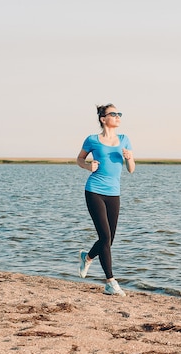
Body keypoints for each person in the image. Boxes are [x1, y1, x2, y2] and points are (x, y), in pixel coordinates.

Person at [76, 103, 135, 295]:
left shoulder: (125, 140)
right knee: (105, 237)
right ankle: (110, 282)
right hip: (94, 191)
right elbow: (79, 159)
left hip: (114, 193)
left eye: (119, 114)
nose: (118, 117)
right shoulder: (92, 140)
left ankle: (88, 257)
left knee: (109, 240)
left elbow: (131, 169)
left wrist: (128, 158)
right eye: (113, 114)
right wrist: (87, 166)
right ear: (103, 119)